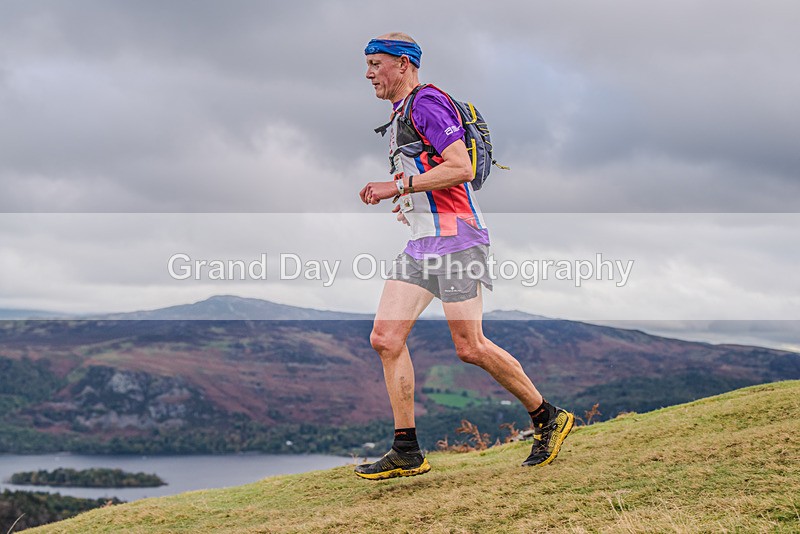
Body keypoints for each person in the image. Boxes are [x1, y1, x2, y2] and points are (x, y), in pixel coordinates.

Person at [355, 32, 574, 480]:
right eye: (367, 64)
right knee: (385, 339)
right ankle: (407, 450)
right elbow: (431, 173)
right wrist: (410, 203)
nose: (369, 72)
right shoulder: (402, 113)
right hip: (423, 242)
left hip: (457, 239)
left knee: (469, 346)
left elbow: (461, 166)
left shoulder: (427, 103)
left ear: (404, 64)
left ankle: (547, 416)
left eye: (377, 63)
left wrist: (395, 187)